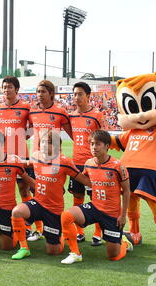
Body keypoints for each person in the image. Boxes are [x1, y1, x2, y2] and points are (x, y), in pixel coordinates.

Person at [10, 130, 90, 260]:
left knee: (53, 251)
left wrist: (103, 183)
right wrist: (12, 161)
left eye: (49, 143)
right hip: (38, 202)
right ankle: (24, 248)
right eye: (42, 142)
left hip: (54, 209)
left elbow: (83, 180)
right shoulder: (36, 156)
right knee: (17, 212)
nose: (44, 145)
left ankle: (60, 236)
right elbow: (28, 163)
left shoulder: (64, 162)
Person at [60, 130, 132, 264]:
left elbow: (127, 191)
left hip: (112, 214)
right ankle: (75, 253)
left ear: (107, 146)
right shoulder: (89, 163)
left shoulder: (118, 166)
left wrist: (123, 215)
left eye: (98, 144)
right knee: (66, 216)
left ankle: (125, 243)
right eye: (92, 144)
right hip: (95, 207)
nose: (94, 147)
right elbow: (83, 178)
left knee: (113, 256)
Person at [26, 79, 73, 241]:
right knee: (37, 193)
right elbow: (28, 132)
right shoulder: (32, 112)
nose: (39, 95)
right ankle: (39, 230)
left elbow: (73, 134)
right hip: (36, 159)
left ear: (51, 93)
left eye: (43, 92)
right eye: (38, 92)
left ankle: (55, 227)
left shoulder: (60, 112)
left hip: (54, 161)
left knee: (55, 195)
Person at [0, 76, 36, 237]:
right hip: (3, 156)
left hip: (21, 154)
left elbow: (34, 126)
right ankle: (3, 224)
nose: (7, 90)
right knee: (4, 191)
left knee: (24, 190)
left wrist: (23, 137)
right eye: (4, 87)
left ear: (17, 90)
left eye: (10, 87)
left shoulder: (26, 107)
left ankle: (28, 227)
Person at [68, 82, 105, 245]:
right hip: (76, 164)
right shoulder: (71, 116)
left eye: (80, 94)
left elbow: (104, 138)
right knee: (77, 197)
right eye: (75, 94)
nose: (77, 97)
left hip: (93, 164)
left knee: (95, 197)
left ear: (88, 96)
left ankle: (98, 232)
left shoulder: (97, 115)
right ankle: (79, 232)